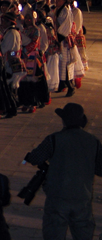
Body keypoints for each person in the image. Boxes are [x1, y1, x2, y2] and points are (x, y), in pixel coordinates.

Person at [24, 103, 102, 240]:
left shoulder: (54, 139)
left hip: (58, 196)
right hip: (82, 196)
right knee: (83, 232)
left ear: (64, 120)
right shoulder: (93, 141)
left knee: (54, 232)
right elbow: (100, 169)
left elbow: (35, 158)